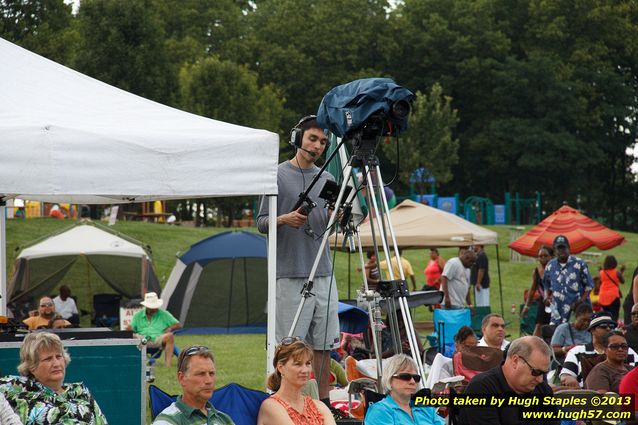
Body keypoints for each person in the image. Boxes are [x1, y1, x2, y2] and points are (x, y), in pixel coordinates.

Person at [256, 115, 340, 403]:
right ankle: (287, 403)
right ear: (297, 139)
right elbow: (261, 222)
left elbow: (326, 227)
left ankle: (323, 404)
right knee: (291, 347)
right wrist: (284, 218)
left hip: (324, 272)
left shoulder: (328, 178)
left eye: (323, 142)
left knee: (325, 343)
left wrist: (334, 217)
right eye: (313, 139)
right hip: (289, 273)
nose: (317, 146)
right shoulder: (276, 176)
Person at [0, 332, 107, 424]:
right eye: (48, 359)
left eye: (59, 356)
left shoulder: (80, 391)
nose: (56, 363)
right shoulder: (16, 390)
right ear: (32, 366)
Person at [458, 336, 557, 425]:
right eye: (536, 372)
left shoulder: (543, 390)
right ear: (515, 361)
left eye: (544, 373)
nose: (540, 379)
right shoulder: (481, 389)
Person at [257, 338, 335, 425]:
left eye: (308, 363)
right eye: (298, 364)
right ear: (281, 368)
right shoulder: (271, 407)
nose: (305, 370)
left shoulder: (319, 406)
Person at [152, 345, 234, 425]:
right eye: (201, 374)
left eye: (211, 373)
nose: (209, 381)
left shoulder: (224, 419)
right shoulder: (168, 421)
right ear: (182, 378)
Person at [560, 313, 637, 388]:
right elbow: (566, 374)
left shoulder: (627, 351)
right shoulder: (577, 351)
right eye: (603, 326)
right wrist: (568, 378)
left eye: (612, 326)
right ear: (592, 330)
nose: (608, 329)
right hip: (587, 394)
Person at [365, 354, 443, 425]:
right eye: (405, 376)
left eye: (416, 378)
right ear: (389, 380)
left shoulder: (427, 409)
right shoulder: (379, 411)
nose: (412, 382)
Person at [543, 235, 594, 326]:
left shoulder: (580, 264)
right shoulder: (550, 265)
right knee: (556, 337)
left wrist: (580, 301)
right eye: (559, 248)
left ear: (569, 248)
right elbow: (546, 285)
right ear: (554, 250)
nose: (561, 251)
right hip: (557, 313)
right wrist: (546, 297)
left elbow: (589, 286)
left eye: (564, 248)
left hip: (577, 312)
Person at [128, 292, 181, 366]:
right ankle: (132, 362)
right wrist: (130, 329)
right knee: (130, 335)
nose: (154, 308)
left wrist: (170, 328)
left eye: (155, 306)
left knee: (169, 336)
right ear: (146, 306)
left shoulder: (164, 314)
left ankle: (167, 365)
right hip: (141, 339)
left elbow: (178, 325)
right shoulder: (138, 315)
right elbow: (131, 329)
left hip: (158, 339)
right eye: (152, 306)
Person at [521, 246, 553, 337]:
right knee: (538, 325)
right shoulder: (536, 271)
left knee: (553, 325)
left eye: (545, 256)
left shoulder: (555, 271)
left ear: (551, 257)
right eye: (540, 256)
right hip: (543, 302)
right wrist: (527, 306)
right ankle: (534, 345)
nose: (543, 258)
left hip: (555, 302)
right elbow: (533, 289)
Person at [598, 255, 625, 321]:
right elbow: (623, 281)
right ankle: (613, 329)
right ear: (615, 263)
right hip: (613, 296)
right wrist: (621, 273)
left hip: (603, 297)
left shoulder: (601, 273)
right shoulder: (617, 272)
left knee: (605, 316)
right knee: (614, 316)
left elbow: (600, 283)